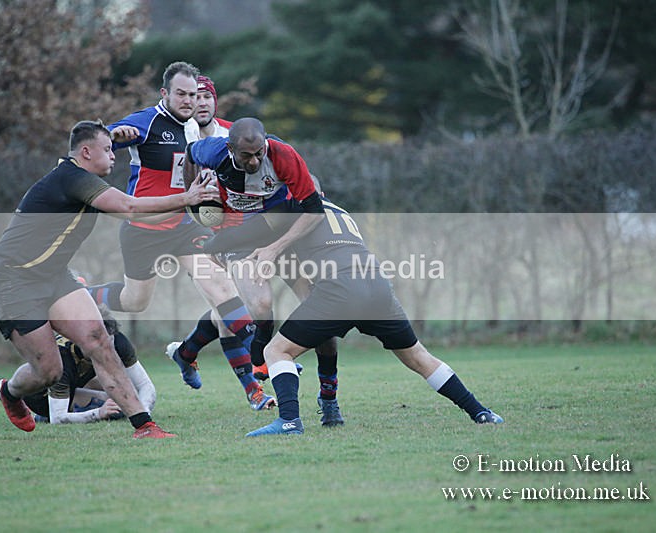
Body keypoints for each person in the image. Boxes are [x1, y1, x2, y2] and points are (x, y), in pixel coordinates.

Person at [0, 119, 217, 439]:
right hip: (13, 282)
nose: (113, 156)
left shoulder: (82, 180)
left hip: (54, 277)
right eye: (108, 150)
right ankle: (10, 392)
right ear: (85, 152)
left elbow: (144, 215)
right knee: (49, 371)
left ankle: (144, 426)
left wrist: (188, 210)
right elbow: (130, 207)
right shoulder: (71, 177)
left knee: (100, 340)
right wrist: (187, 197)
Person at [200, 193, 504, 436]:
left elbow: (246, 233)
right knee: (419, 357)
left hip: (340, 290)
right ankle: (481, 412)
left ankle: (289, 421)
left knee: (276, 351)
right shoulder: (339, 210)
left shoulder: (294, 207)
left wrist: (212, 244)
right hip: (377, 286)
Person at [83, 63, 275, 411]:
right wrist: (115, 135)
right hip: (143, 230)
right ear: (165, 94)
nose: (190, 101)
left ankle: (259, 370)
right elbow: (100, 141)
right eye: (183, 94)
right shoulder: (148, 121)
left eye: (195, 95)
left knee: (222, 290)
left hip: (185, 226)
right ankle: (84, 294)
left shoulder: (202, 130)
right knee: (135, 301)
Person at [183, 117, 346, 426]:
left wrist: (275, 248)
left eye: (259, 153)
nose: (255, 161)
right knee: (260, 304)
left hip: (284, 234)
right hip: (241, 238)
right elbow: (191, 152)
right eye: (247, 155)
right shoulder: (214, 151)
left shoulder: (282, 155)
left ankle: (329, 397)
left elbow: (314, 209)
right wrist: (192, 195)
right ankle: (260, 356)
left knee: (321, 316)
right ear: (230, 149)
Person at [23, 306, 155, 425]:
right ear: (80, 339)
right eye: (97, 343)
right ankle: (42, 416)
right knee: (115, 410)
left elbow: (144, 385)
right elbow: (57, 418)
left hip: (76, 384)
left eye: (106, 342)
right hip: (42, 398)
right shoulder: (61, 358)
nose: (103, 348)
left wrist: (143, 412)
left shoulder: (117, 341)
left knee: (129, 398)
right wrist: (98, 413)